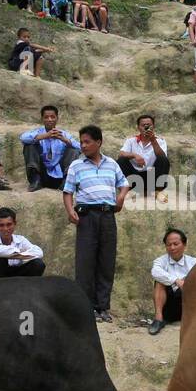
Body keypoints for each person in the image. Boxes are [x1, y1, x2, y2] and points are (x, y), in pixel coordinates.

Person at [63, 125, 130, 322]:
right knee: (85, 263)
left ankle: (103, 308)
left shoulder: (112, 164)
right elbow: (67, 192)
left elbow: (124, 184)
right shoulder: (77, 165)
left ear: (98, 142)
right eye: (81, 142)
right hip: (86, 217)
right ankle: (87, 307)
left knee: (106, 262)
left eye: (87, 142)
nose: (83, 145)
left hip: (108, 217)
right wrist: (70, 211)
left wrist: (120, 198)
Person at [149, 229, 196, 335]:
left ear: (184, 244)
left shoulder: (194, 262)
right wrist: (176, 281)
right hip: (168, 306)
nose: (172, 248)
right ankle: (158, 319)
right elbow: (155, 272)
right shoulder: (160, 261)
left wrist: (186, 282)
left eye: (176, 244)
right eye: (169, 245)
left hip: (187, 305)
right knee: (159, 281)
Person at [20, 104, 79, 191]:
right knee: (29, 145)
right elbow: (23, 138)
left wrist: (64, 139)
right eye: (46, 117)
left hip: (60, 176)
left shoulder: (64, 134)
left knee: (73, 149)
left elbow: (81, 147)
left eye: (52, 117)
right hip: (42, 175)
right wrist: (45, 136)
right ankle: (35, 181)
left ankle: (67, 182)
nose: (49, 120)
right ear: (42, 119)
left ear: (57, 118)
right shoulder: (38, 132)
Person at [0, 208, 46, 278]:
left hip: (12, 276)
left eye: (9, 224)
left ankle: (25, 288)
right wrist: (19, 254)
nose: (5, 229)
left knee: (38, 264)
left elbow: (39, 252)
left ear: (15, 224)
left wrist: (19, 255)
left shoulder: (20, 239)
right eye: (1, 225)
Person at [119, 115, 170, 200]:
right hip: (135, 177)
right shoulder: (131, 140)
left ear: (153, 126)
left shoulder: (160, 141)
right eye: (143, 125)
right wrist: (134, 155)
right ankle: (130, 190)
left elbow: (162, 156)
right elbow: (121, 154)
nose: (146, 127)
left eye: (149, 125)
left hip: (152, 176)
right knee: (121, 160)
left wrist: (153, 140)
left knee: (163, 159)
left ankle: (158, 191)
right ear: (138, 127)